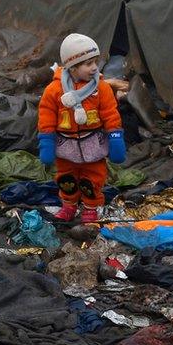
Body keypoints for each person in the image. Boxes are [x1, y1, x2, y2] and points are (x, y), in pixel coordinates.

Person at [37, 33, 126, 224]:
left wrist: (116, 137)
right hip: (66, 144)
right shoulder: (54, 90)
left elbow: (110, 113)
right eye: (88, 64)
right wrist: (46, 141)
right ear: (73, 66)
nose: (94, 67)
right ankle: (69, 205)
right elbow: (46, 114)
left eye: (96, 62)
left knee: (92, 179)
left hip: (92, 142)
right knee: (66, 178)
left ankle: (90, 208)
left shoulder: (101, 88)